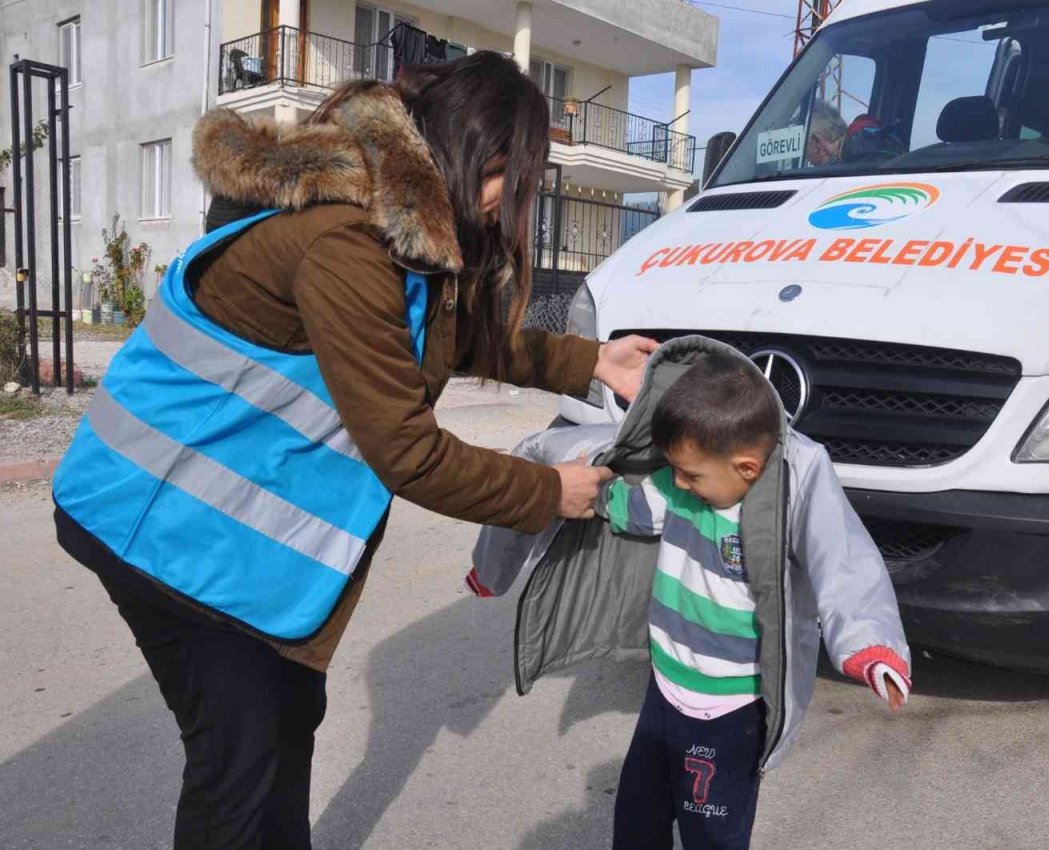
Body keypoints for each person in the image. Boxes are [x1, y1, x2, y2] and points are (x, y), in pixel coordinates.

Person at [52, 52, 655, 849]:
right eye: (523, 177)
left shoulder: (399, 232)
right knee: (238, 765)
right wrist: (551, 493)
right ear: (484, 154)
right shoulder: (347, 243)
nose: (521, 199)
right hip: (153, 527)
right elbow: (408, 452)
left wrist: (591, 361)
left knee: (285, 720)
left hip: (208, 533)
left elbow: (450, 341)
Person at [467, 344, 911, 850]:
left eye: (691, 475)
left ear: (746, 467)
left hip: (731, 709)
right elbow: (629, 507)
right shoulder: (677, 487)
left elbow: (843, 557)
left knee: (711, 832)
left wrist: (871, 648)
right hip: (666, 685)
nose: (677, 481)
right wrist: (583, 489)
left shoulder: (780, 505)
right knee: (637, 815)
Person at [804, 99, 847, 166]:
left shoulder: (822, 174)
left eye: (806, 143)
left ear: (818, 143)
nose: (804, 151)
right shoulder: (851, 167)